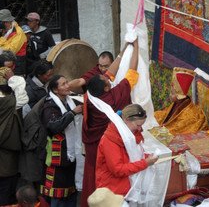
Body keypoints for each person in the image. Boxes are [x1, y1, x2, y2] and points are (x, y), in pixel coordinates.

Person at [81, 39, 138, 207]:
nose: (107, 77)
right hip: (108, 147)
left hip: (93, 145)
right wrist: (137, 47)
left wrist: (123, 50)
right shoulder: (114, 97)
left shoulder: (89, 96)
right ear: (106, 88)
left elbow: (110, 73)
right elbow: (132, 72)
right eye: (106, 80)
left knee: (94, 175)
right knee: (109, 178)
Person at [95, 104, 158, 195]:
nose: (140, 129)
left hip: (125, 185)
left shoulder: (129, 133)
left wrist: (147, 157)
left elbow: (133, 154)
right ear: (126, 120)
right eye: (138, 125)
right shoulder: (110, 140)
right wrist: (145, 163)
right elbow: (118, 170)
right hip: (113, 191)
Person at [40, 75, 83, 206]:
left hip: (71, 157)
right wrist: (72, 113)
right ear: (55, 90)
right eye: (63, 84)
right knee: (57, 197)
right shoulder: (49, 106)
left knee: (71, 193)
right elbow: (54, 126)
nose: (67, 86)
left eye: (67, 82)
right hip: (57, 159)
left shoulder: (72, 100)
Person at [154, 67, 209, 134]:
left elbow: (177, 128)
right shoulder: (178, 102)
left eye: (172, 92)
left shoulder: (191, 114)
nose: (170, 95)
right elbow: (166, 114)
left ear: (178, 95)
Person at [0, 67, 24, 205]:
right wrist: (13, 78)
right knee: (6, 195)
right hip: (7, 161)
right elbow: (23, 95)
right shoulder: (10, 102)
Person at [0, 9, 27, 75]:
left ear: (6, 22)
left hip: (17, 65)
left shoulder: (18, 33)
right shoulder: (6, 31)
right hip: (5, 63)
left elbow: (11, 51)